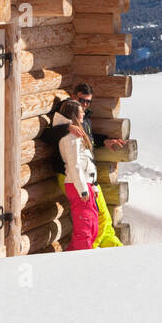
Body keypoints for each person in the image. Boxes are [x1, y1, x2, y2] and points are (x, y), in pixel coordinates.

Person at [43, 83, 126, 248]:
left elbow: (87, 139)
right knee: (93, 219)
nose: (85, 105)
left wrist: (105, 140)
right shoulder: (64, 114)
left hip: (86, 178)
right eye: (82, 100)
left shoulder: (83, 117)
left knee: (101, 217)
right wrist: (68, 127)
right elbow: (47, 135)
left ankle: (113, 248)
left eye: (88, 102)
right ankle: (92, 251)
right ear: (73, 96)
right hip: (71, 176)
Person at [57, 99, 99, 251]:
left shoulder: (77, 134)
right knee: (85, 230)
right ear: (74, 114)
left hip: (85, 183)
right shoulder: (70, 137)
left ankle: (74, 260)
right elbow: (75, 165)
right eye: (81, 111)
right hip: (77, 185)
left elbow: (85, 163)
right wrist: (82, 189)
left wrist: (92, 186)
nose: (83, 114)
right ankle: (79, 265)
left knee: (93, 227)